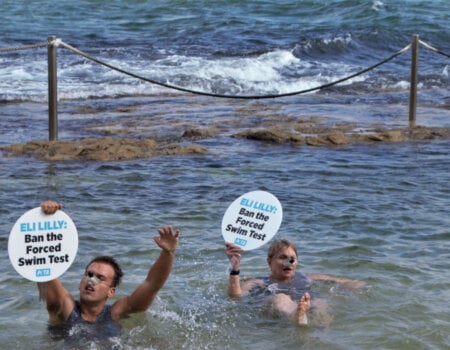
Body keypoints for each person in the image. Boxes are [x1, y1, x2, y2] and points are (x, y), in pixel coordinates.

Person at [37, 200, 180, 342]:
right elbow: (45, 269)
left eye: (100, 278)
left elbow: (151, 285)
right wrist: (47, 219)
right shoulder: (65, 308)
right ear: (80, 283)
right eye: (89, 274)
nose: (91, 280)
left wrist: (168, 254)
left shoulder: (116, 313)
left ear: (111, 292)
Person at [225, 238, 365, 326]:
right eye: (283, 258)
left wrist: (346, 289)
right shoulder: (259, 282)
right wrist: (235, 267)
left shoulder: (306, 277)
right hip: (277, 309)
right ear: (269, 262)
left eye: (292, 258)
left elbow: (351, 282)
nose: (289, 262)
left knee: (320, 302)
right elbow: (235, 296)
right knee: (280, 297)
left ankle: (322, 332)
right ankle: (297, 314)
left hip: (304, 305)